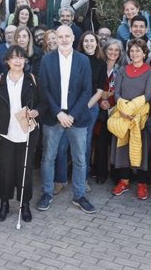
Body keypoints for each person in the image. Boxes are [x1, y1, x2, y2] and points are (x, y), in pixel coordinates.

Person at [36, 25, 96, 214]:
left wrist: (72, 115)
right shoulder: (47, 60)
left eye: (66, 36)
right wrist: (58, 113)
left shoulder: (83, 60)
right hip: (54, 117)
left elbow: (87, 90)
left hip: (76, 118)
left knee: (79, 159)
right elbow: (43, 89)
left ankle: (79, 196)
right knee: (48, 158)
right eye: (59, 36)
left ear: (72, 38)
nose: (63, 39)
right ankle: (47, 193)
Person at [0, 46, 47, 223]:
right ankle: (4, 203)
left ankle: (24, 204)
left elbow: (43, 103)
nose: (18, 61)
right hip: (5, 134)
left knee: (25, 171)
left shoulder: (33, 80)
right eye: (14, 58)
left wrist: (36, 112)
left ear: (25, 61)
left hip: (27, 133)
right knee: (6, 171)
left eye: (21, 57)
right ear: (7, 61)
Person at [109, 38, 151, 200]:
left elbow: (148, 95)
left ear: (145, 53)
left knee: (141, 148)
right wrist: (123, 110)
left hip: (139, 117)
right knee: (122, 149)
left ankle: (142, 184)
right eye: (132, 50)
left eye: (138, 50)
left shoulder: (150, 71)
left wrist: (131, 111)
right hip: (123, 116)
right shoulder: (123, 70)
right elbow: (116, 93)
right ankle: (124, 181)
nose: (134, 53)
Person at [92, 38, 125, 183]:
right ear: (105, 50)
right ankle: (100, 173)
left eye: (116, 50)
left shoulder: (122, 68)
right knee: (100, 141)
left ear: (120, 53)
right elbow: (93, 85)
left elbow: (123, 90)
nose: (113, 52)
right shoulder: (99, 65)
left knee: (115, 142)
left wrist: (110, 101)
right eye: (110, 49)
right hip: (99, 106)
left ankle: (116, 173)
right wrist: (100, 101)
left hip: (115, 108)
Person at [77, 31, 106, 181]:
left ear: (97, 43)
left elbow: (100, 90)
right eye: (86, 41)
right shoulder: (76, 60)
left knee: (86, 142)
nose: (89, 44)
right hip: (73, 106)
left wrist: (85, 106)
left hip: (90, 107)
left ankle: (83, 176)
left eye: (92, 41)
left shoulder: (101, 63)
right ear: (82, 44)